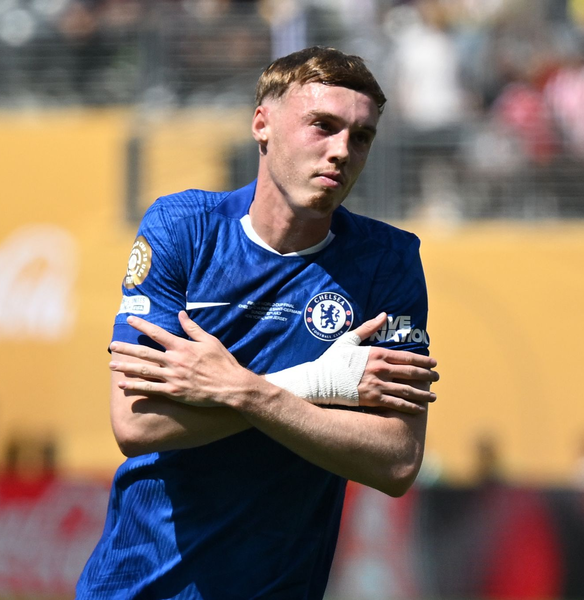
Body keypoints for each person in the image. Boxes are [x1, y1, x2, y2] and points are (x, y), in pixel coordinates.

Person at [76, 46, 440, 599]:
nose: (342, 151)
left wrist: (236, 390)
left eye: (360, 137)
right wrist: (316, 385)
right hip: (139, 586)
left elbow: (396, 461)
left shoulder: (387, 262)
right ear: (262, 124)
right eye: (323, 125)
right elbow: (136, 424)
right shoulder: (185, 228)